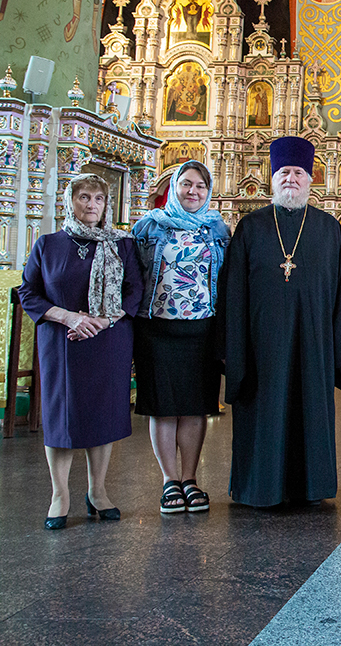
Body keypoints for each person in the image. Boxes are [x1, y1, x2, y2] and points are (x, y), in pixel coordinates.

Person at [219, 136, 341, 507]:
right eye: (284, 172)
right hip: (261, 348)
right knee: (263, 412)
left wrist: (340, 350)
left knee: (309, 411)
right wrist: (233, 347)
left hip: (313, 345)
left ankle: (310, 488)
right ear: (272, 178)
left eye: (298, 173)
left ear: (310, 179)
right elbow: (233, 293)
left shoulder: (328, 229)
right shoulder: (250, 227)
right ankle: (259, 487)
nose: (291, 179)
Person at [18, 174, 143, 529]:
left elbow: (135, 290)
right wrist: (68, 317)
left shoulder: (122, 245)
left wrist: (103, 321)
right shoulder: (48, 245)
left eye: (99, 198)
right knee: (62, 417)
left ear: (107, 205)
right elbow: (28, 292)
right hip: (62, 342)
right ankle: (59, 495)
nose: (91, 204)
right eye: (84, 197)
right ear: (69, 201)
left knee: (103, 416)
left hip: (108, 339)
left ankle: (98, 491)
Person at [132, 161, 230, 515]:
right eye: (187, 183)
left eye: (200, 185)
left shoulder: (218, 230)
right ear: (173, 187)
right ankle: (169, 480)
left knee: (195, 406)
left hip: (202, 329)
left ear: (208, 190)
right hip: (156, 329)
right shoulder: (149, 226)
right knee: (163, 407)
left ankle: (190, 478)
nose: (193, 191)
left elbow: (227, 280)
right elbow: (133, 276)